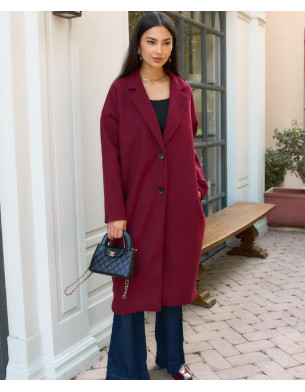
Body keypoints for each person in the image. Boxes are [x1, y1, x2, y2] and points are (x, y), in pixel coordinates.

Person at [100, 11, 208, 380]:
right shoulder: (121, 92)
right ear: (139, 45)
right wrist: (115, 211)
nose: (158, 50)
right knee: (130, 289)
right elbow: (110, 156)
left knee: (174, 286)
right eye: (151, 41)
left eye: (166, 42)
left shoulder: (181, 90)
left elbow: (187, 144)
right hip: (137, 207)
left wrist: (197, 185)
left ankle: (173, 359)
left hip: (179, 207)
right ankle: (128, 371)